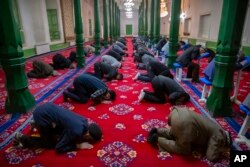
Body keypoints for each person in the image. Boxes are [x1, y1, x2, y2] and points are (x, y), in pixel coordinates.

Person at [147, 106, 231, 162]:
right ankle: (157, 139)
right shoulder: (220, 136)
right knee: (184, 149)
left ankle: (157, 131)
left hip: (177, 112)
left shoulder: (216, 126)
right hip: (184, 124)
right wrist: (221, 150)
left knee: (174, 133)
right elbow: (211, 156)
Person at [13, 102, 102, 153]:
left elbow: (67, 127)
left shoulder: (84, 121)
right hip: (42, 116)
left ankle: (36, 124)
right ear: (88, 134)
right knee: (49, 144)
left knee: (59, 133)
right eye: (89, 139)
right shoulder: (77, 131)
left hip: (48, 108)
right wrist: (78, 145)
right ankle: (22, 138)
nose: (87, 140)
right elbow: (59, 148)